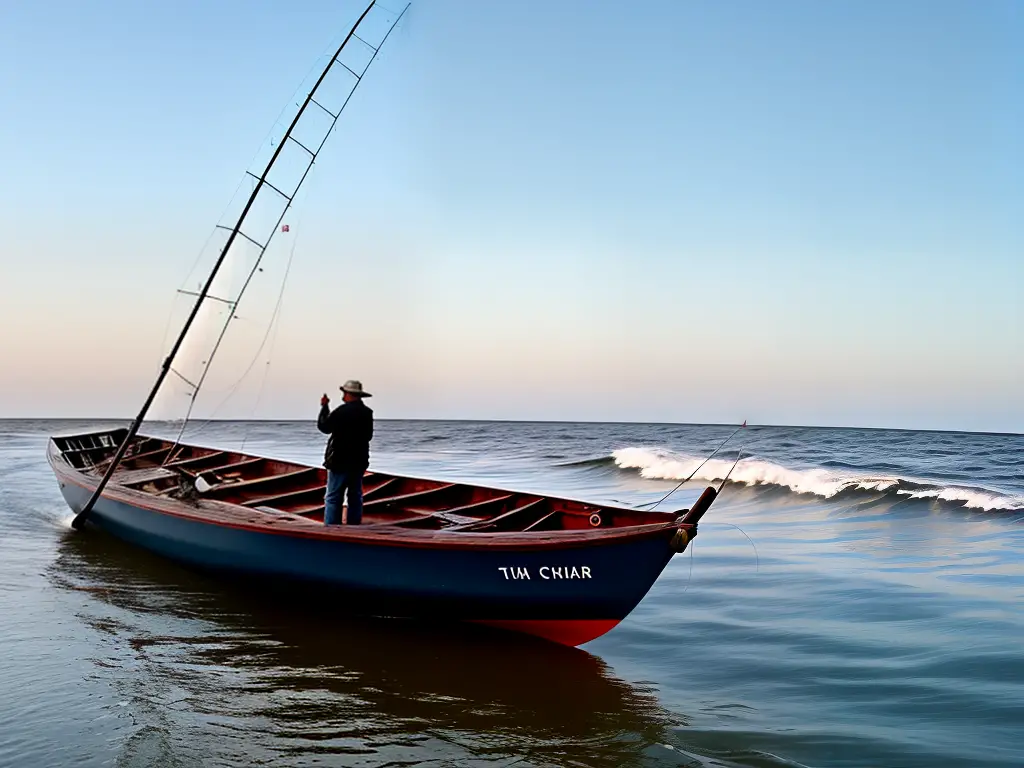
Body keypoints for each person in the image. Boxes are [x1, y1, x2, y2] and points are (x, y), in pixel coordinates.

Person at [317, 379, 373, 525]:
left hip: (339, 461)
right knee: (355, 496)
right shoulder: (367, 413)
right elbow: (368, 436)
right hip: (358, 461)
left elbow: (324, 427)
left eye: (345, 393)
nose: (343, 395)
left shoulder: (342, 411)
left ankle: (331, 527)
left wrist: (324, 406)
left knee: (333, 497)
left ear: (350, 394)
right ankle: (354, 527)